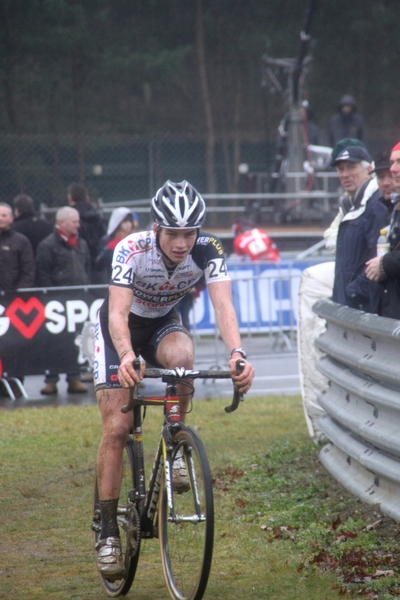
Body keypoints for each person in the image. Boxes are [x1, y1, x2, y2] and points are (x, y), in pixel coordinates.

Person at [93, 180, 255, 578]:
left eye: (189, 232)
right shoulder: (131, 248)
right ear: (156, 228)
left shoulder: (208, 249)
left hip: (164, 324)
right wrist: (128, 355)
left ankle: (176, 441)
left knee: (183, 357)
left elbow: (223, 304)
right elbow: (116, 314)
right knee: (118, 426)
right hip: (120, 332)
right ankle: (108, 529)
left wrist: (237, 353)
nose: (182, 243)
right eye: (173, 233)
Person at [35, 206, 90, 394]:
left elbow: (86, 268)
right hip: (56, 304)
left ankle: (74, 377)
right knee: (54, 341)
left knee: (76, 339)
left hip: (78, 302)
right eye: (74, 221)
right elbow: (42, 273)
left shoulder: (81, 244)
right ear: (62, 222)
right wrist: (51, 296)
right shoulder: (47, 245)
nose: (78, 225)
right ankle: (51, 380)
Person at [330, 146, 388, 311]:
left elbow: (379, 257)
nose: (345, 174)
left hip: (363, 308)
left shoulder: (376, 206)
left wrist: (354, 294)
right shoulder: (352, 206)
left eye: (351, 167)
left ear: (369, 170)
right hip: (352, 306)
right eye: (341, 169)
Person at [366, 141, 400, 319]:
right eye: (380, 176)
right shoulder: (391, 210)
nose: (393, 169)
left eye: (398, 162)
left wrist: (385, 264)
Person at [67, 182, 106, 275]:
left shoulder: (67, 219)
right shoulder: (98, 217)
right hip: (98, 261)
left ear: (70, 199)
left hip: (77, 263)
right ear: (87, 198)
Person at [94, 207, 136, 284]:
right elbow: (99, 264)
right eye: (125, 221)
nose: (128, 224)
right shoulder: (107, 240)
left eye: (130, 221)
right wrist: (108, 249)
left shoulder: (134, 239)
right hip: (111, 278)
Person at [0, 202, 35, 291]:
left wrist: (20, 292)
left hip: (13, 297)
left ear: (11, 218)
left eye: (4, 216)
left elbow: (28, 271)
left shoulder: (21, 241)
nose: (1, 218)